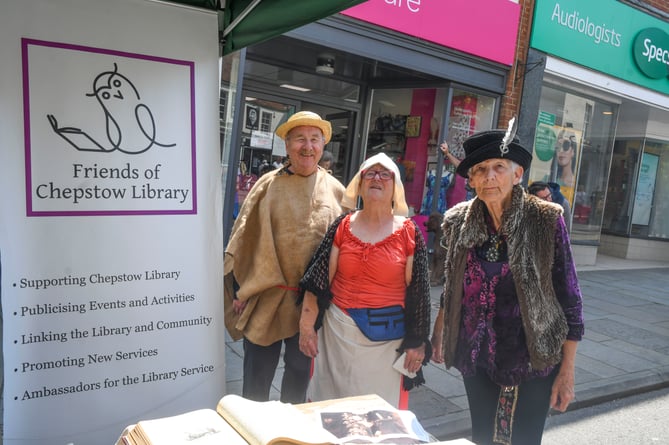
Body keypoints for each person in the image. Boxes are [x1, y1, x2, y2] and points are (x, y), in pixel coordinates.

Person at [430, 129, 584, 444]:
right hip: (476, 353)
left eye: (498, 167)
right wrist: (439, 333)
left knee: (524, 440)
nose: (489, 177)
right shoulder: (459, 221)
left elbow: (570, 298)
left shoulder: (545, 220)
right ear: (470, 180)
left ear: (517, 174)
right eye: (480, 170)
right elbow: (453, 285)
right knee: (481, 437)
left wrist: (567, 371)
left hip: (532, 355)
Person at [223, 111, 346, 403]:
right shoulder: (267, 185)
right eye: (300, 139)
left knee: (299, 382)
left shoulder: (337, 191)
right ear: (287, 145)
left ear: (323, 144)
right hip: (266, 298)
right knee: (255, 383)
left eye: (314, 139)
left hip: (311, 305)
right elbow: (243, 239)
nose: (308, 146)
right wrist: (240, 289)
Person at [298, 153, 432, 409]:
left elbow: (420, 295)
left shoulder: (410, 232)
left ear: (395, 187)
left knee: (377, 417)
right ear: (359, 184)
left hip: (387, 342)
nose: (376, 179)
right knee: (329, 410)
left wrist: (417, 341)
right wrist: (307, 326)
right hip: (336, 336)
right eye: (369, 173)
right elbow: (316, 282)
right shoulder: (342, 226)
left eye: (385, 174)